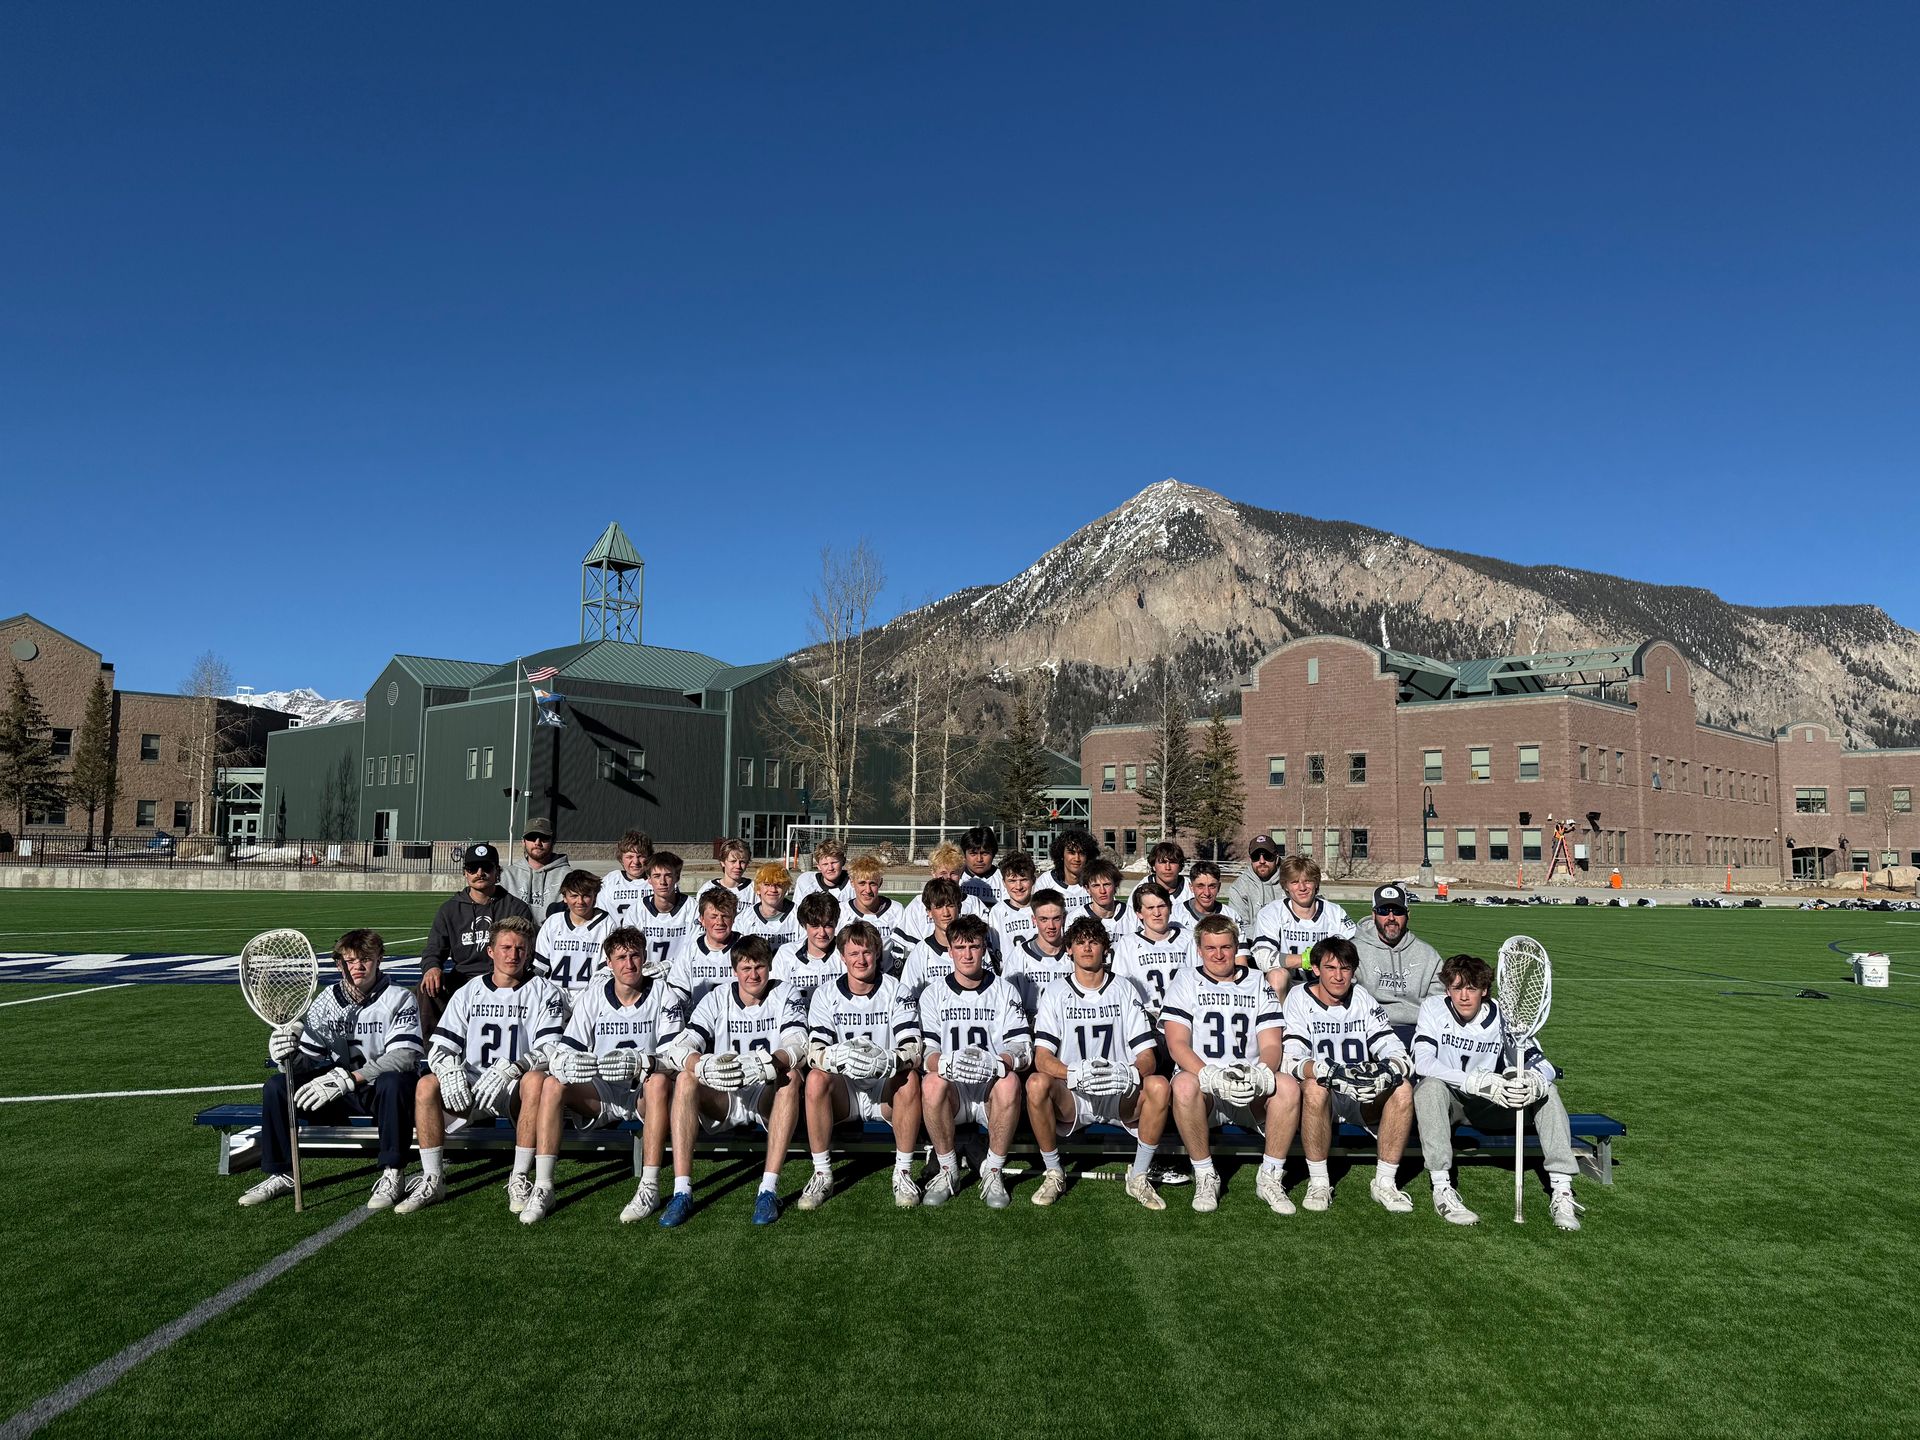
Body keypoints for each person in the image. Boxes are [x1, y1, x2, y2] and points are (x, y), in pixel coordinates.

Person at [240, 929, 421, 1211]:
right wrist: (287, 1055)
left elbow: (404, 1057)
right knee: (278, 1086)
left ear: (380, 959)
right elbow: (309, 1060)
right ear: (339, 964)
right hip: (339, 1091)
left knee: (394, 1082)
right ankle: (282, 1173)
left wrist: (351, 1079)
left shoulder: (399, 998)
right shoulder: (326, 1001)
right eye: (350, 961)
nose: (358, 967)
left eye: (365, 959)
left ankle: (393, 1172)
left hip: (381, 1092)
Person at [398, 916, 566, 1216]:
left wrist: (514, 1068)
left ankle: (519, 1177)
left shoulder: (545, 991)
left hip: (514, 1086)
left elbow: (550, 1048)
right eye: (506, 948)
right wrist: (449, 1070)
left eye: (520, 948)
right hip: (473, 1084)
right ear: (491, 951)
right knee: (426, 1085)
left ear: (529, 952)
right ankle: (433, 1178)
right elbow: (441, 1045)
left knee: (536, 1081)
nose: (513, 955)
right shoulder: (470, 990)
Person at [1412, 953, 1584, 1230]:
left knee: (1548, 1092)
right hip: (1453, 1103)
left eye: (1471, 988)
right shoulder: (1433, 1008)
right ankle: (1442, 1188)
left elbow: (1543, 1065)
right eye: (1457, 988)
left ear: (1484, 990)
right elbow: (1422, 1062)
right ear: (1447, 989)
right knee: (1428, 1088)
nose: (1464, 996)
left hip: (1494, 1103)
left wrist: (1534, 1082)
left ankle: (1562, 1190)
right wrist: (1474, 1081)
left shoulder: (1504, 1017)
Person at [655, 936, 809, 1227]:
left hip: (765, 1091)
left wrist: (768, 1064)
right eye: (746, 968)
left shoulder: (785, 992)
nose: (753, 975)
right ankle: (681, 1191)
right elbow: (681, 1046)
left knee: (791, 1077)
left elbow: (798, 1043)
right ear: (734, 970)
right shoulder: (717, 997)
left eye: (759, 967)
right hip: (725, 1091)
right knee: (686, 1079)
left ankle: (768, 1189)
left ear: (769, 966)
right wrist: (702, 1065)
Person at [531, 926, 677, 1225]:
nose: (629, 964)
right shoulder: (594, 995)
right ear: (608, 962)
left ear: (645, 957)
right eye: (621, 957)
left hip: (642, 1091)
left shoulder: (663, 993)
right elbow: (566, 1049)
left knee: (660, 1081)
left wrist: (643, 1062)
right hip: (601, 1091)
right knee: (552, 1084)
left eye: (635, 956)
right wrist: (567, 1065)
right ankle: (544, 1185)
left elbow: (675, 1058)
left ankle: (649, 1185)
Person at [1025, 917, 1171, 1210]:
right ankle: (1054, 1171)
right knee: (1036, 1083)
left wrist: (1129, 1073)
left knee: (1159, 1085)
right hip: (1074, 1095)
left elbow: (1147, 1056)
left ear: (1105, 947)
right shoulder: (1055, 991)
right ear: (1069, 949)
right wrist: (1072, 1072)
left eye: (1094, 942)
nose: (1087, 948)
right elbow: (1042, 1058)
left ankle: (1139, 1175)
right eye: (1080, 943)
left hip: (1118, 1093)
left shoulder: (1124, 989)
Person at [1162, 916, 1295, 1214]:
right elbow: (1177, 1044)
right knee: (1183, 1085)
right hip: (1206, 1087)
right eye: (1210, 948)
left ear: (1236, 947)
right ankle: (1205, 1174)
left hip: (1249, 1085)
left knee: (1287, 1086)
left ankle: (1270, 1176)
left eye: (1225, 947)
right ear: (1199, 950)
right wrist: (1209, 1075)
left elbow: (1271, 1044)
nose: (1218, 954)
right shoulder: (1186, 979)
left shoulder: (1257, 981)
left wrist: (1261, 1073)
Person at [1276, 936, 1415, 1215]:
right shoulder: (1299, 998)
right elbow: (1290, 1059)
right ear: (1316, 969)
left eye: (1345, 968)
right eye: (1330, 968)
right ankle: (1319, 1182)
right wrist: (1328, 1072)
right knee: (1314, 1087)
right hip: (1323, 1096)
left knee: (1402, 1088)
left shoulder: (1361, 997)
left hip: (1360, 1093)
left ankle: (1385, 1182)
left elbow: (1391, 1045)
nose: (1338, 976)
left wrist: (1389, 1069)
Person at [799, 921, 924, 1211]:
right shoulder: (826, 994)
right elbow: (815, 1052)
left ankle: (903, 1172)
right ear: (842, 956)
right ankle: (822, 1173)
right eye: (853, 953)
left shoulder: (896, 990)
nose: (861, 959)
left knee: (910, 1079)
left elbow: (913, 1048)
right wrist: (839, 1058)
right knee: (815, 1079)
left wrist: (888, 1060)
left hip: (884, 1089)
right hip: (846, 1089)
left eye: (867, 952)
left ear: (877, 952)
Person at [917, 916, 1030, 1209]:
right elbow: (927, 1051)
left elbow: (1022, 1047)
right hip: (954, 1090)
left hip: (989, 1089)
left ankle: (993, 1171)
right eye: (960, 947)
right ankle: (947, 1170)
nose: (967, 954)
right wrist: (947, 1063)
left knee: (1009, 1081)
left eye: (974, 947)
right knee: (931, 1082)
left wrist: (998, 1063)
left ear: (984, 949)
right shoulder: (933, 994)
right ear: (950, 951)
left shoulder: (1004, 990)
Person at [418, 843, 534, 1034]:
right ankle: (434, 1049)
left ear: (497, 872)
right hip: (463, 978)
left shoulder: (515, 907)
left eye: (486, 868)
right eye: (473, 868)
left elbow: (527, 951)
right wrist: (431, 968)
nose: (480, 873)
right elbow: (433, 949)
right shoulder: (449, 910)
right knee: (427, 988)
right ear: (465, 873)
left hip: (503, 978)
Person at [1351, 882, 1444, 1047]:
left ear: (1408, 914)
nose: (1391, 918)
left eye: (1398, 911)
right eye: (1383, 911)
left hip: (1416, 1030)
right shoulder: (1354, 950)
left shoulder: (1428, 954)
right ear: (1373, 915)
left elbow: (1438, 1001)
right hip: (1370, 1028)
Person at [1252, 855, 1354, 996]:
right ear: (1285, 886)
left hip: (1325, 986)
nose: (1302, 888)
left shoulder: (1335, 913)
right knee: (1276, 976)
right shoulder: (1271, 912)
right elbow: (1262, 957)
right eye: (1295, 882)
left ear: (1316, 883)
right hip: (1289, 986)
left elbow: (1353, 952)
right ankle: (1278, 1011)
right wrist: (1305, 960)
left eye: (1308, 881)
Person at [1110, 880, 1192, 1024]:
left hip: (1183, 1018)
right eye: (1150, 908)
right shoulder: (1129, 943)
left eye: (1161, 906)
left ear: (1170, 908)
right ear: (1139, 913)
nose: (1157, 913)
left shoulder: (1188, 939)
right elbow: (1120, 988)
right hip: (1147, 1021)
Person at [533, 868, 613, 1006]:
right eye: (574, 896)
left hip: (590, 995)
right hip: (554, 993)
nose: (580, 901)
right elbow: (540, 967)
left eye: (586, 895)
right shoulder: (553, 923)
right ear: (564, 897)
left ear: (595, 896)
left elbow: (605, 971)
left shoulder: (607, 924)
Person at [663, 888, 744, 1021]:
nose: (719, 922)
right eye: (713, 916)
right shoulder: (690, 950)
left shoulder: (746, 947)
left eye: (725, 916)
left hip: (737, 1021)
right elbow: (678, 994)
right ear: (702, 919)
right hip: (699, 1022)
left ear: (734, 918)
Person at [896, 842, 989, 950]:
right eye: (943, 873)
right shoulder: (918, 904)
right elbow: (907, 946)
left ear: (961, 873)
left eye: (953, 873)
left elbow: (984, 941)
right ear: (933, 873)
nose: (948, 878)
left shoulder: (974, 903)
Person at [999, 889, 1074, 1015]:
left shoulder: (1075, 953)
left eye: (1056, 918)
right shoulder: (1020, 955)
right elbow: (1007, 1000)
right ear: (1034, 920)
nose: (1051, 926)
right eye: (1044, 919)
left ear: (1064, 918)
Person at [771, 891, 846, 1006]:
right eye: (815, 926)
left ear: (836, 924)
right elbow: (776, 998)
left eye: (828, 925)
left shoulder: (845, 952)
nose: (822, 933)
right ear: (804, 925)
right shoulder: (786, 954)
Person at [897, 877, 964, 1001]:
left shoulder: (973, 948)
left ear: (959, 907)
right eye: (939, 907)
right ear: (929, 912)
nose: (946, 913)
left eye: (950, 905)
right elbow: (909, 999)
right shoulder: (920, 953)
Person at [637, 850, 698, 972]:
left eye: (668, 876)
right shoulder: (636, 911)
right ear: (649, 879)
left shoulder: (692, 908)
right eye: (657, 876)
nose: (663, 882)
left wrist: (671, 966)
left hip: (682, 974)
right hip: (647, 975)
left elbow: (696, 950)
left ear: (677, 877)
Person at [840, 853, 906, 966]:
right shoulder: (841, 911)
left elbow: (903, 950)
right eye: (862, 883)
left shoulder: (896, 910)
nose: (868, 890)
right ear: (852, 882)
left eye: (872, 883)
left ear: (880, 882)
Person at [502, 817, 571, 917]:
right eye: (532, 837)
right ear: (523, 841)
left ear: (553, 841)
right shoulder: (506, 876)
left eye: (544, 837)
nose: (537, 843)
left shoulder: (568, 876)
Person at [735, 863, 802, 953]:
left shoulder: (799, 915)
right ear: (758, 888)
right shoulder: (744, 918)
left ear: (786, 888)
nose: (773, 890)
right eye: (767, 884)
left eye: (778, 884)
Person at [986, 851, 1039, 957]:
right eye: (1012, 881)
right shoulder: (998, 912)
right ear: (1004, 883)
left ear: (1033, 880)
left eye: (1023, 880)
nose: (1018, 887)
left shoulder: (1044, 908)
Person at [1224, 833, 1286, 922]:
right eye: (1256, 856)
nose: (1262, 861)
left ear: (1276, 858)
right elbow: (1240, 925)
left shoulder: (1290, 881)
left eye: (1267, 856)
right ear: (1250, 859)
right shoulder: (1239, 887)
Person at [600, 830, 655, 926]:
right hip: (617, 934)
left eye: (640, 856)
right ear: (621, 859)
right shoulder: (610, 881)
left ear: (649, 857)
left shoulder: (659, 880)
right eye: (629, 857)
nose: (636, 862)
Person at [1037, 829, 1097, 917]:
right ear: (1061, 855)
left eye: (1081, 853)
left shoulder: (1096, 881)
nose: (1077, 858)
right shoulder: (1046, 881)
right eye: (1071, 852)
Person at [1178, 861, 1241, 930]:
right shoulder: (1176, 914)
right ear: (1191, 887)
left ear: (1219, 887)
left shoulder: (1231, 916)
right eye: (1200, 886)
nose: (1207, 893)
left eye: (1212, 886)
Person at [791, 837, 853, 907]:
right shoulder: (806, 883)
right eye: (825, 864)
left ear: (843, 861)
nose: (830, 868)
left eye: (834, 863)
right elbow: (797, 910)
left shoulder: (854, 884)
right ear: (818, 866)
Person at [1128, 840, 1189, 908]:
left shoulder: (1191, 889)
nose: (1167, 868)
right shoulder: (1140, 890)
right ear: (1153, 866)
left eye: (1172, 862)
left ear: (1180, 866)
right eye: (1162, 862)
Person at [697, 838, 756, 909]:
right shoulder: (707, 888)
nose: (738, 866)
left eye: (742, 862)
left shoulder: (754, 889)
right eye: (733, 861)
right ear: (722, 862)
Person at [958, 824, 1008, 907]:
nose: (979, 859)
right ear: (964, 854)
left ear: (993, 854)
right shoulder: (957, 878)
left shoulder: (1004, 879)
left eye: (985, 853)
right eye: (973, 854)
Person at [1083, 858, 1129, 940]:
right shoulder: (1075, 917)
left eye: (1107, 884)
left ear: (1116, 885)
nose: (1102, 891)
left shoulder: (1132, 916)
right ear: (1087, 889)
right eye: (1096, 886)